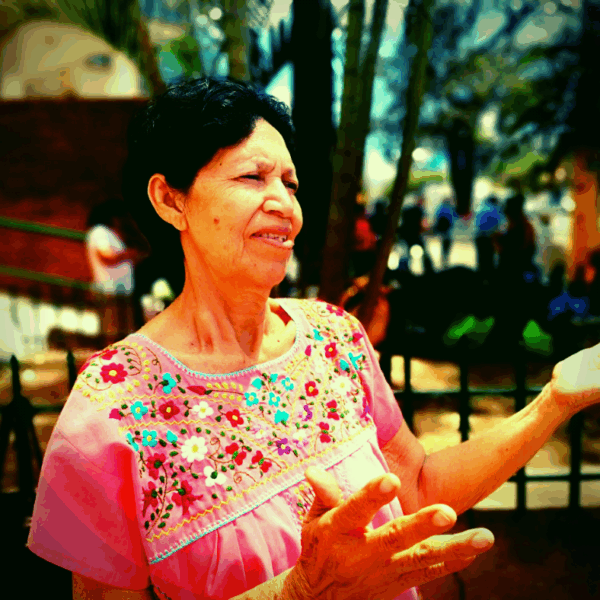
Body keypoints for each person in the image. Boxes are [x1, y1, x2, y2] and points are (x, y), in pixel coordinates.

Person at [26, 78, 600, 600]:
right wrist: (301, 592)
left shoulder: (335, 338)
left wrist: (555, 401)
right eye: (252, 177)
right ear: (171, 199)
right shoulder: (112, 406)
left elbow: (417, 489)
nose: (285, 205)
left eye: (290, 183)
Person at [85, 198, 149, 343]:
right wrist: (129, 254)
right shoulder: (99, 232)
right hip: (109, 290)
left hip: (122, 290)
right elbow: (106, 256)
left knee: (125, 333)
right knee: (112, 332)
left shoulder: (112, 233)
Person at [474, 195, 503, 282]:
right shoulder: (496, 209)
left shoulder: (481, 208)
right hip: (489, 237)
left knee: (481, 257)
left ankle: (480, 276)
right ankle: (489, 279)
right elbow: (500, 223)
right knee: (489, 258)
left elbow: (476, 223)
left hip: (479, 236)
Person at [433, 197, 456, 270]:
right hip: (448, 230)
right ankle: (445, 261)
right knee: (446, 245)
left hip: (442, 230)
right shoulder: (450, 208)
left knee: (443, 245)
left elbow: (436, 216)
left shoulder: (440, 208)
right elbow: (453, 218)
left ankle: (443, 261)